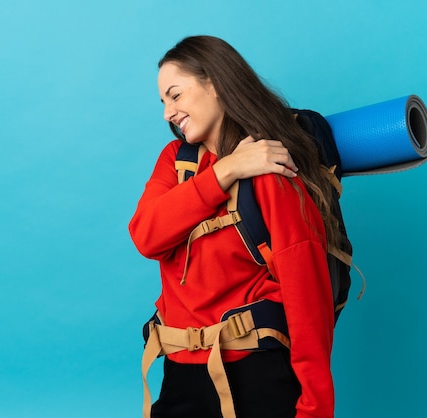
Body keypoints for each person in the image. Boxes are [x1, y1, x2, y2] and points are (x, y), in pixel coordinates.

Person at [129, 35, 341, 418]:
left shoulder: (271, 166)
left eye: (175, 95)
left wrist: (315, 407)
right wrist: (225, 171)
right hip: (180, 371)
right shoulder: (176, 162)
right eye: (163, 102)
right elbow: (146, 236)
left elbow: (306, 292)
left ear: (214, 82)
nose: (167, 113)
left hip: (256, 374)